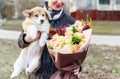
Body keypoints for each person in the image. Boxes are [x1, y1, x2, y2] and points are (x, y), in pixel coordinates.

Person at [18, 0, 82, 79]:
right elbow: (20, 42)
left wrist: (78, 66)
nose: (59, 2)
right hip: (37, 73)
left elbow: (77, 48)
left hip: (59, 74)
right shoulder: (36, 13)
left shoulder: (70, 21)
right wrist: (27, 39)